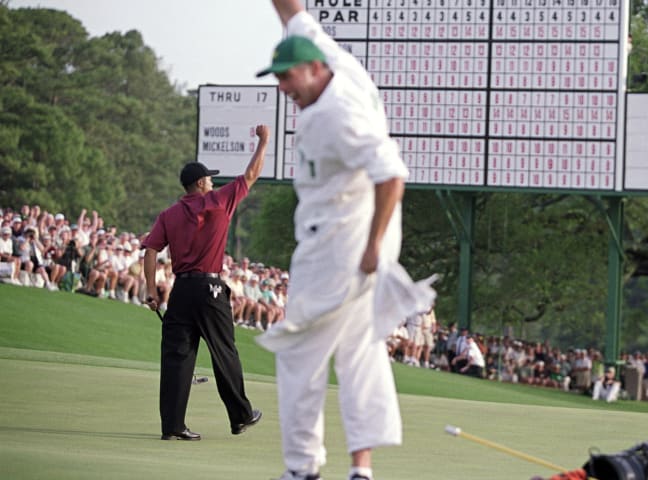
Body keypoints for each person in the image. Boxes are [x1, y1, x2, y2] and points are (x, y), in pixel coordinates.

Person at [254, 2, 434, 479]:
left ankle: (301, 469)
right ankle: (362, 469)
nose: (282, 87)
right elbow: (293, 11)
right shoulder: (330, 57)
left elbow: (392, 173)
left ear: (315, 69)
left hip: (338, 241)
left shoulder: (338, 113)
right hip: (360, 232)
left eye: (288, 77)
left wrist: (371, 247)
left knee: (299, 354)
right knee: (360, 349)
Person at [141, 124, 269, 441]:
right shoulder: (218, 201)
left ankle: (172, 425)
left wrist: (150, 289)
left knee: (176, 357)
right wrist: (264, 142)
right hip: (210, 289)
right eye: (209, 178)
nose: (213, 182)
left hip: (181, 289)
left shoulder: (168, 214)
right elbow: (251, 174)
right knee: (224, 351)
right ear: (200, 183)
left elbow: (151, 250)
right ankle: (240, 416)